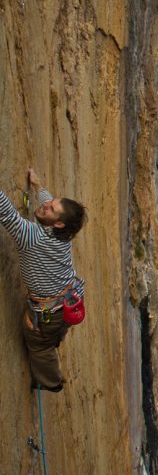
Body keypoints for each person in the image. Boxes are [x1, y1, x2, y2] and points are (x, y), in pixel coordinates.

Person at [0, 168, 87, 392]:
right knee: (53, 331)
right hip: (68, 299)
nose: (47, 205)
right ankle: (55, 336)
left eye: (52, 208)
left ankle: (51, 383)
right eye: (52, 202)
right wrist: (38, 187)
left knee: (38, 345)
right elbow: (50, 203)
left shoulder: (33, 237)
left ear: (58, 223)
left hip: (51, 310)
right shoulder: (63, 234)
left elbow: (8, 215)